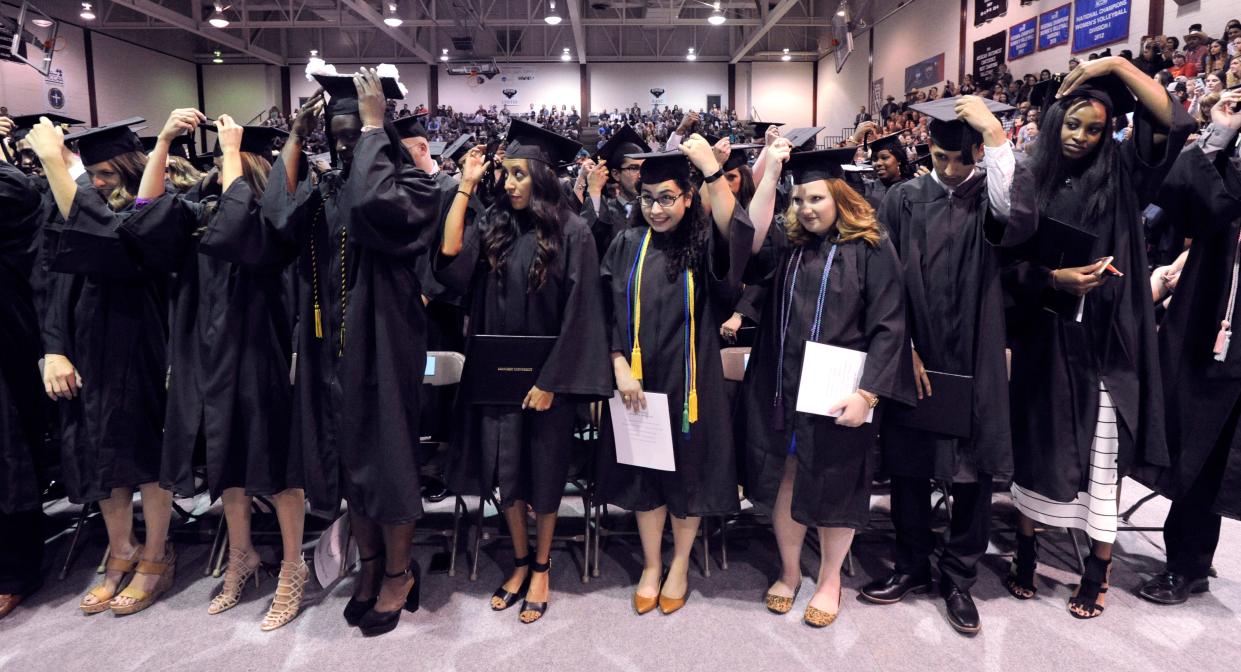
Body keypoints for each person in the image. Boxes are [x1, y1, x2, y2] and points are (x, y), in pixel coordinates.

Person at [1002, 56, 1193, 619]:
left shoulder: (1126, 175)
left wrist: (1112, 63)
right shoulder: (1029, 182)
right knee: (1037, 445)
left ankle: (1098, 567)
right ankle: (1027, 549)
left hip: (1108, 344)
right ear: (1054, 120)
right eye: (1073, 124)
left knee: (1101, 457)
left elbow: (1173, 121)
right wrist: (1052, 279)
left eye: (1095, 128)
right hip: (1048, 334)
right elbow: (1007, 266)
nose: (1082, 137)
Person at [262, 68, 441, 637]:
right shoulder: (326, 189)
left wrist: (371, 126)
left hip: (385, 344)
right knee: (349, 463)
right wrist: (294, 138)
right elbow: (273, 225)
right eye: (335, 137)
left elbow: (371, 207)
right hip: (329, 346)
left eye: (353, 136)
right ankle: (366, 569)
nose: (342, 147)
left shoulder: (414, 187)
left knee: (388, 461)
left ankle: (397, 573)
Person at [122, 111, 308, 630]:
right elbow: (142, 215)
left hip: (255, 356)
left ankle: (295, 564)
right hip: (201, 357)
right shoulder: (197, 215)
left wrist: (231, 153)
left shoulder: (272, 221)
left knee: (275, 466)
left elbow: (236, 227)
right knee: (226, 463)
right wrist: (160, 144)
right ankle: (242, 555)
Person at [861, 95, 1025, 635]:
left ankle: (959, 576)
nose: (950, 170)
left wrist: (998, 139)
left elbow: (1016, 220)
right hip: (916, 351)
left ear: (977, 152)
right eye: (938, 158)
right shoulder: (903, 199)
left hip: (976, 351)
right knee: (909, 463)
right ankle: (910, 563)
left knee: (974, 471)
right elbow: (882, 280)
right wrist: (900, 346)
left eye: (960, 159)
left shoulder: (990, 197)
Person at [437, 120, 611, 625]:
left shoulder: (573, 231)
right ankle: (516, 561)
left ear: (540, 175)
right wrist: (467, 185)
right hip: (498, 377)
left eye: (518, 174)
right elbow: (451, 262)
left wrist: (552, 381)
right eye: (504, 174)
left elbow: (583, 312)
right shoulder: (494, 225)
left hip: (546, 383)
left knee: (545, 474)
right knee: (506, 472)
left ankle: (541, 566)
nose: (509, 183)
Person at [738, 144, 913, 628]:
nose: (805, 209)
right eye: (798, 201)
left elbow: (890, 326)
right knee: (787, 480)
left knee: (836, 486)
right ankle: (791, 571)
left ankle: (831, 579)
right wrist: (770, 173)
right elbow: (747, 241)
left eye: (815, 198)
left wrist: (868, 394)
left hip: (841, 393)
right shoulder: (789, 248)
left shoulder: (872, 247)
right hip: (783, 388)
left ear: (839, 196)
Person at [597, 137, 755, 616]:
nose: (656, 209)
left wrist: (710, 170)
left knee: (687, 472)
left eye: (667, 198)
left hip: (691, 378)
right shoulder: (626, 243)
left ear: (688, 198)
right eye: (647, 198)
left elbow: (738, 232)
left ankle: (680, 563)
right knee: (646, 472)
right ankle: (650, 563)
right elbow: (603, 309)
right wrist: (618, 363)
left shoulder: (703, 244)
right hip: (638, 380)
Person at [26, 116, 176, 616]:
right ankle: (122, 550)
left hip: (139, 344)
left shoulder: (152, 207)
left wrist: (56, 163)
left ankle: (156, 551)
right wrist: (53, 348)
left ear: (131, 171)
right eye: (92, 174)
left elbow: (113, 247)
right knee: (97, 455)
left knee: (144, 451)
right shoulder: (72, 200)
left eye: (108, 174)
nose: (98, 182)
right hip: (83, 346)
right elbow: (48, 281)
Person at [1135, 89, 1241, 605]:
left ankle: (1193, 560)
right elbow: (1180, 205)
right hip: (1213, 319)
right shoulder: (1230, 164)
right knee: (1202, 444)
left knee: (1222, 452)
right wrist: (1217, 136)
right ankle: (1189, 561)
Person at [0, 120, 50, 621]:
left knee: (8, 457)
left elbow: (16, 195)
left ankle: (15, 570)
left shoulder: (12, 187)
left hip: (8, 340)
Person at [581, 124, 650, 260]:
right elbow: (588, 242)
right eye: (633, 168)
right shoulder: (606, 210)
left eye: (643, 169)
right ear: (616, 174)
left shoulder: (653, 211)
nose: (640, 175)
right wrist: (594, 190)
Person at [859, 131, 913, 209]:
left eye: (884, 158)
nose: (878, 163)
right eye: (875, 159)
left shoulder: (912, 188)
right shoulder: (869, 189)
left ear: (899, 159)